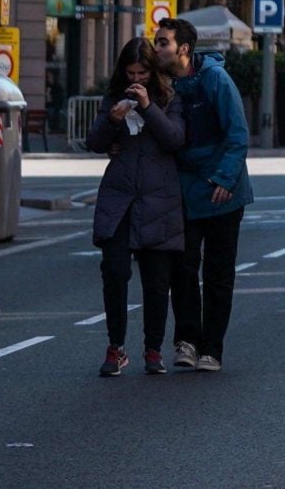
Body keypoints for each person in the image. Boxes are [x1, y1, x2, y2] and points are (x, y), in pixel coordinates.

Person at [153, 17, 252, 373]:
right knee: (182, 269)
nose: (156, 47)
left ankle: (212, 348)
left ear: (183, 49)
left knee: (218, 273)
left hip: (223, 193)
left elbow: (238, 133)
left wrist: (224, 178)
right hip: (182, 191)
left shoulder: (215, 79)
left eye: (162, 42)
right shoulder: (160, 84)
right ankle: (187, 341)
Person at [85, 39, 185, 376]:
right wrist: (111, 122)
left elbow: (174, 139)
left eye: (143, 72)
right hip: (120, 198)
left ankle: (153, 350)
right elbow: (94, 143)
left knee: (156, 282)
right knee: (114, 272)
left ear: (153, 72)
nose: (137, 79)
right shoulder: (114, 97)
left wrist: (147, 107)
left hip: (159, 200)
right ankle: (116, 347)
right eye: (131, 73)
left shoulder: (170, 98)